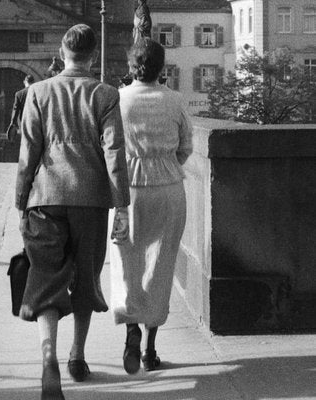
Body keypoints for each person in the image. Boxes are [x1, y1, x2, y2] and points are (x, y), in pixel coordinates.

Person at [15, 24, 130, 400]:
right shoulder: (105, 94)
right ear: (93, 57)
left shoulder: (37, 92)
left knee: (45, 281)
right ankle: (77, 357)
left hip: (45, 197)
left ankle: (48, 359)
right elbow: (114, 153)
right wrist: (122, 206)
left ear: (62, 54)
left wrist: (21, 202)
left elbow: (28, 153)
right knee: (86, 279)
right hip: (91, 199)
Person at [110, 37, 193, 374]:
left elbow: (109, 147)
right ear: (162, 68)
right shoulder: (174, 101)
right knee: (161, 265)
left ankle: (130, 328)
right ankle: (150, 347)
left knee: (124, 261)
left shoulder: (117, 100)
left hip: (126, 191)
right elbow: (186, 147)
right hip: (168, 190)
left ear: (132, 67)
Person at [7, 74, 35, 140]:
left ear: (25, 82)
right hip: (36, 120)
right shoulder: (38, 92)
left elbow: (15, 109)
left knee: (26, 140)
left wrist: (13, 122)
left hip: (24, 120)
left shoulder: (19, 94)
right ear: (33, 82)